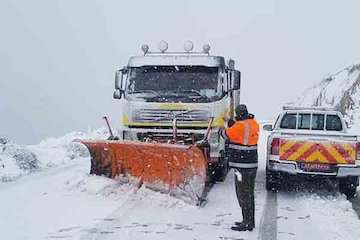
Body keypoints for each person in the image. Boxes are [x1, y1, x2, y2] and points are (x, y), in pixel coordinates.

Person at [220, 104, 259, 231]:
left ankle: (246, 223)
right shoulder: (253, 123)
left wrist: (222, 126)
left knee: (242, 194)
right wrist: (232, 123)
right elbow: (241, 131)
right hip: (251, 166)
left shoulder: (239, 126)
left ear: (238, 114)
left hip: (241, 167)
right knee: (249, 194)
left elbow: (225, 134)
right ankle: (249, 221)